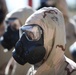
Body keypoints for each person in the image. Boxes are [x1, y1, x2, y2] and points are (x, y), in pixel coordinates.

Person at [13, 7, 76, 75]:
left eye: (32, 34)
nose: (23, 40)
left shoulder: (71, 72)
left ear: (50, 35)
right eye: (25, 33)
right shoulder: (32, 71)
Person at [0, 6, 35, 75]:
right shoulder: (13, 54)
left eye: (14, 25)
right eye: (8, 25)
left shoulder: (34, 61)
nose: (8, 30)